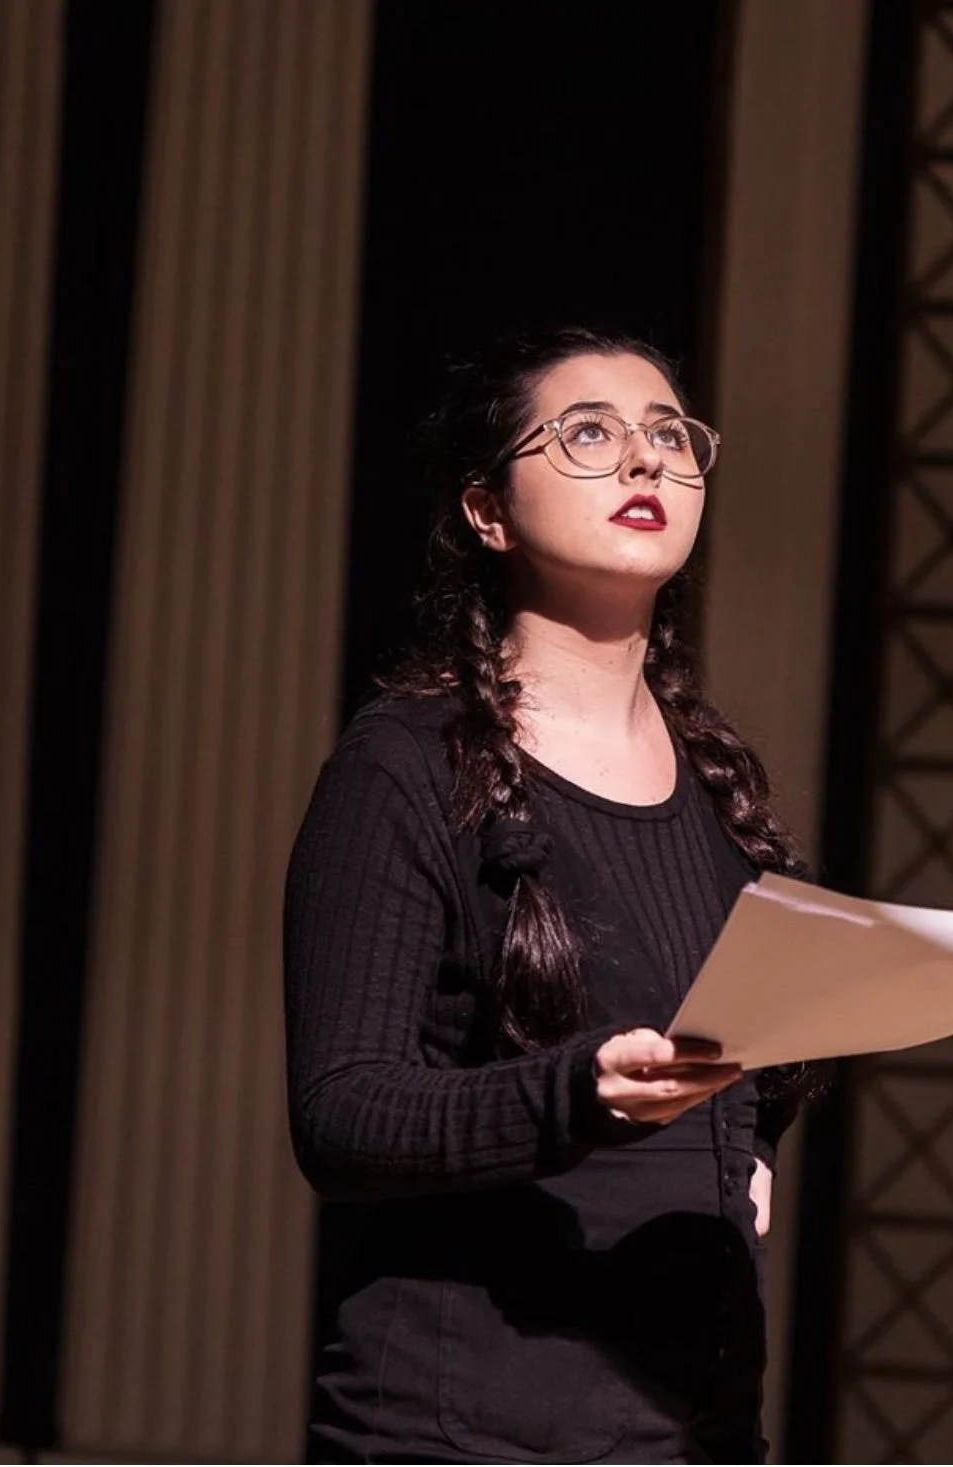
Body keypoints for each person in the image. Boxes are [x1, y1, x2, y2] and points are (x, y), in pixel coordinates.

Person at [283, 327, 825, 1464]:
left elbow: (740, 1067)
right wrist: (576, 1095)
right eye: (589, 433)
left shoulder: (721, 787)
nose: (646, 463)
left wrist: (742, 1149)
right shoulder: (407, 767)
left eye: (671, 436)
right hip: (465, 1430)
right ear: (487, 512)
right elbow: (342, 1116)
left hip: (697, 1428)